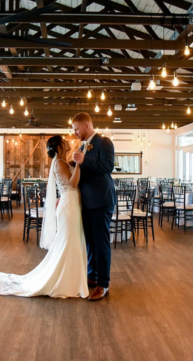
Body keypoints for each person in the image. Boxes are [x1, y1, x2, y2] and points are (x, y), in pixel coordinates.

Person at [0, 135, 89, 298]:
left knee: (70, 242)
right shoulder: (60, 163)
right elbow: (72, 183)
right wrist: (79, 164)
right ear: (59, 146)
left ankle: (72, 278)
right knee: (69, 242)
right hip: (69, 204)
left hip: (70, 203)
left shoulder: (62, 162)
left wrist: (75, 163)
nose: (67, 141)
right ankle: (67, 280)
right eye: (64, 141)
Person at [71, 112, 116, 301]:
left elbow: (108, 166)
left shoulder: (104, 142)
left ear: (87, 126)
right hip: (88, 201)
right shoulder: (82, 145)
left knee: (100, 242)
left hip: (101, 200)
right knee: (90, 241)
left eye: (76, 129)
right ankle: (92, 274)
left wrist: (84, 160)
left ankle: (103, 284)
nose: (74, 132)